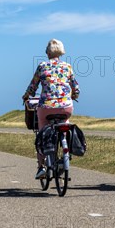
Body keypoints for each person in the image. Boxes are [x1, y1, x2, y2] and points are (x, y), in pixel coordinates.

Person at [23, 39, 80, 179]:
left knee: (42, 133)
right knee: (65, 126)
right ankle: (65, 153)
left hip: (46, 107)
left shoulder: (42, 66)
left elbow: (33, 86)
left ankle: (41, 167)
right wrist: (74, 95)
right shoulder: (67, 67)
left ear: (48, 52)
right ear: (61, 51)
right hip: (65, 107)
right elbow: (76, 88)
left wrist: (25, 97)